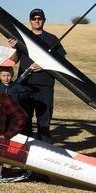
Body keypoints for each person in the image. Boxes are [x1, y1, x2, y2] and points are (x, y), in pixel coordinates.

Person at [16, 8, 64, 141]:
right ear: (30, 21)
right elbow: (14, 59)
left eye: (39, 18)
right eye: (34, 19)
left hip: (45, 84)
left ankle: (44, 147)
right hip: (25, 84)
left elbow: (62, 61)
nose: (37, 21)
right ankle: (25, 150)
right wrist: (13, 46)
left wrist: (44, 65)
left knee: (44, 120)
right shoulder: (23, 37)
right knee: (24, 119)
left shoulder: (52, 39)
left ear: (44, 20)